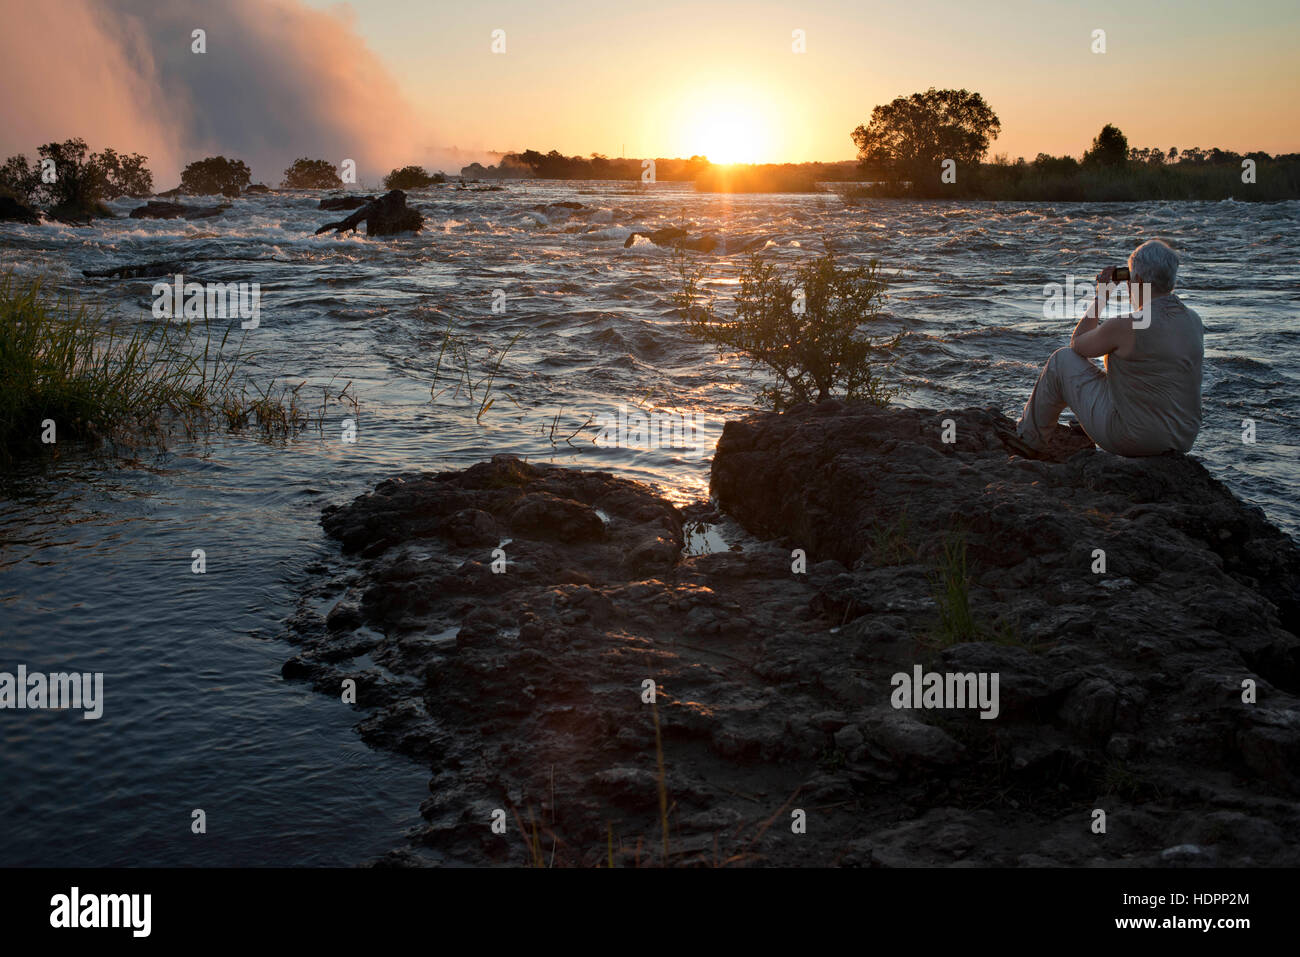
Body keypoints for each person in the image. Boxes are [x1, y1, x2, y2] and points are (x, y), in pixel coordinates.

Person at [1012, 239, 1204, 457]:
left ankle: (1028, 439)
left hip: (1135, 440)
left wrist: (1102, 296)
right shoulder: (1193, 320)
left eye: (1130, 277)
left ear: (1138, 279)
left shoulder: (1127, 324)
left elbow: (1078, 343)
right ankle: (1084, 423)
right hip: (1184, 438)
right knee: (1132, 372)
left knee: (1062, 359)